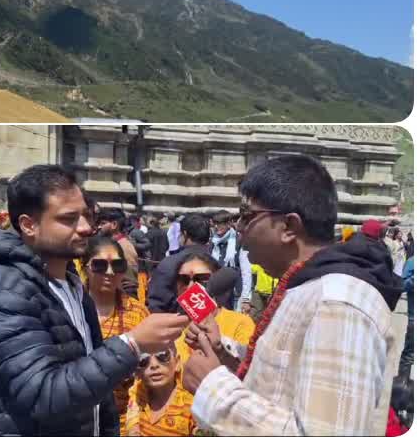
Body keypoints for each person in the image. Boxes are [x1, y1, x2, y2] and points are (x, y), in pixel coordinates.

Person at [181, 154, 404, 435]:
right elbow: (284, 382)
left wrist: (212, 388)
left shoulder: (338, 304)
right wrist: (225, 353)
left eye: (247, 216)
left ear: (288, 227)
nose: (239, 229)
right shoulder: (312, 287)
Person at [0, 164, 190, 436]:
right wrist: (132, 344)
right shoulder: (6, 292)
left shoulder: (70, 283)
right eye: (69, 219)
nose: (85, 227)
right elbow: (43, 396)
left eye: (86, 215)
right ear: (29, 225)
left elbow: (92, 382)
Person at [83, 235, 150, 430]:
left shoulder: (138, 313)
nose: (110, 272)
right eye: (100, 266)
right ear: (85, 266)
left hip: (125, 421)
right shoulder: (70, 308)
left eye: (118, 265)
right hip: (79, 419)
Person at [173, 257, 255, 364]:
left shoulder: (241, 323)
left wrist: (218, 348)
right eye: (184, 280)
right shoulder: (172, 327)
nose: (191, 286)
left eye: (200, 279)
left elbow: (245, 369)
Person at [123, 343, 197, 436]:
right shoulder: (137, 395)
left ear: (177, 363)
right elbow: (131, 425)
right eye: (143, 360)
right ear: (137, 372)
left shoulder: (191, 405)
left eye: (162, 355)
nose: (154, 365)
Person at [146, 213, 212, 312]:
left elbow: (156, 306)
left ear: (184, 234)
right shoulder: (221, 267)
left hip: (177, 324)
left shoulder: (169, 264)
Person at [210, 211, 254, 312]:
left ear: (229, 224)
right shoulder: (213, 242)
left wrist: (246, 299)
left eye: (219, 223)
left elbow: (246, 270)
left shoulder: (239, 241)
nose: (216, 227)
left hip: (235, 293)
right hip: (218, 293)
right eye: (214, 224)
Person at [97, 209, 141, 296]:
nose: (99, 227)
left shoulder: (124, 247)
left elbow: (129, 284)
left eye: (103, 223)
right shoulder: (110, 245)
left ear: (114, 225)